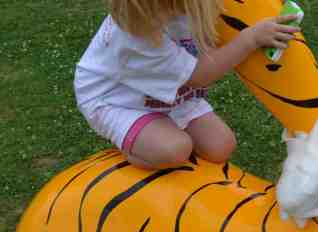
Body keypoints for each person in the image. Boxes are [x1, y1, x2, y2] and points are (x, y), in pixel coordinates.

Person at [74, 0, 300, 169]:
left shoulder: (183, 8)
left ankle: (155, 130)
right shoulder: (135, 36)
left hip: (169, 96)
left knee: (221, 146)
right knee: (174, 149)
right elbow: (200, 75)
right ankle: (131, 143)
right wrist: (250, 39)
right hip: (117, 100)